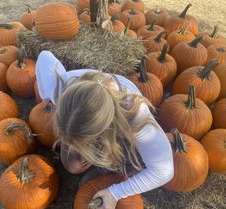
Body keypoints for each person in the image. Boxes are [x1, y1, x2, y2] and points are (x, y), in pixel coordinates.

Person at [36, 50, 174, 209]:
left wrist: (115, 193)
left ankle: (107, 170)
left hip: (120, 125)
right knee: (72, 164)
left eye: (84, 144)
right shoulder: (59, 88)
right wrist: (45, 96)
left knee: (129, 162)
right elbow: (44, 56)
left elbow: (164, 171)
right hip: (90, 112)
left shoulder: (137, 119)